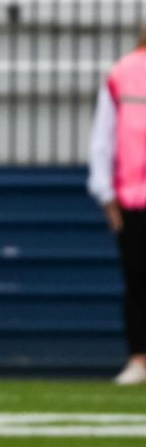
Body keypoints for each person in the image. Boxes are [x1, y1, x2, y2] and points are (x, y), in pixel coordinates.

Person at [88, 31, 146, 386]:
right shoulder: (122, 73)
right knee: (138, 281)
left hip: (131, 196)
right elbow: (104, 137)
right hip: (133, 198)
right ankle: (140, 358)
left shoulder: (121, 71)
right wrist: (106, 194)